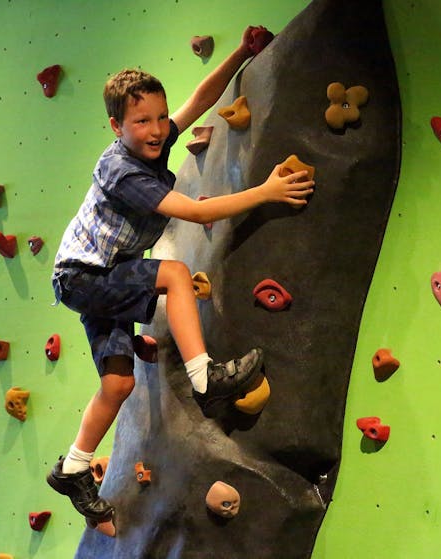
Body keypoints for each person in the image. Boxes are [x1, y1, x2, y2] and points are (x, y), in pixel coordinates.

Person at [46, 26, 315, 522]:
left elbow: (197, 102)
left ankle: (74, 467)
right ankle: (205, 377)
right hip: (86, 276)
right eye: (141, 122)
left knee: (118, 385)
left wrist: (239, 54)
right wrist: (267, 192)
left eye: (157, 118)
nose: (155, 129)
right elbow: (193, 213)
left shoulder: (151, 140)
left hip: (99, 276)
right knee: (172, 272)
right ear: (116, 127)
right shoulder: (124, 172)